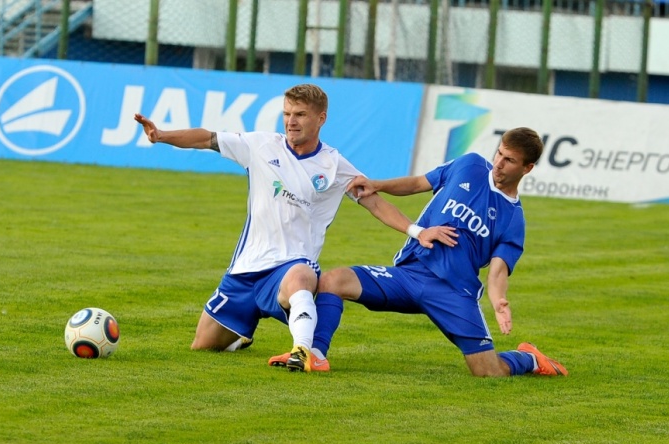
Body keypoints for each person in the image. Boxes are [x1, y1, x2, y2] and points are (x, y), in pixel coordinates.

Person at [134, 84, 457, 358]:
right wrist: (162, 135)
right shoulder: (261, 145)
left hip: (290, 267)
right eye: (287, 113)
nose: (291, 121)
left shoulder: (334, 164)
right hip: (245, 271)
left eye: (300, 115)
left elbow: (373, 203)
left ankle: (304, 351)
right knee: (202, 348)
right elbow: (207, 138)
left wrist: (417, 231)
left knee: (302, 275)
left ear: (320, 118)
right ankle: (241, 337)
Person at [270, 127, 568, 376]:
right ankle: (316, 355)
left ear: (527, 168)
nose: (499, 164)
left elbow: (499, 269)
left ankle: (528, 358)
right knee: (332, 281)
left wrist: (498, 299)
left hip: (453, 294)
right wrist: (378, 185)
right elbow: (418, 183)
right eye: (499, 153)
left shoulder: (513, 219)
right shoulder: (471, 165)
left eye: (510, 160)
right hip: (410, 275)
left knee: (488, 371)